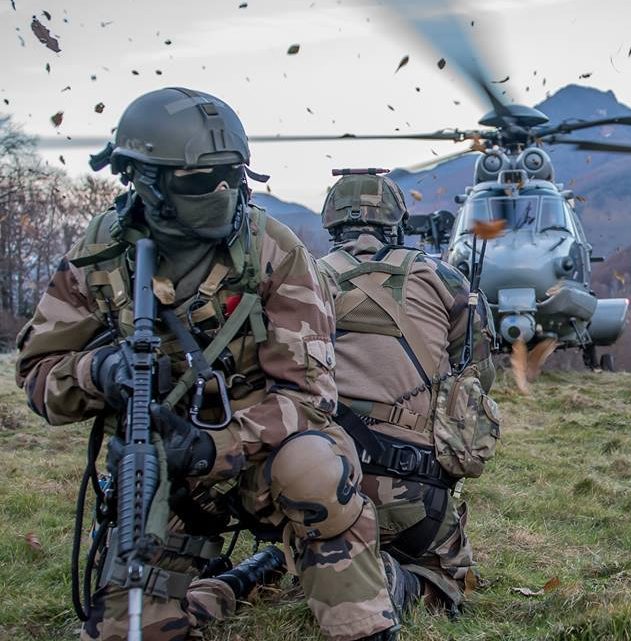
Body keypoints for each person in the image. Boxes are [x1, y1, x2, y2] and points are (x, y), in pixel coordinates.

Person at [16, 88, 400, 641]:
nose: (221, 192)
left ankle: (364, 617)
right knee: (127, 631)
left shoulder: (273, 250)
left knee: (315, 469)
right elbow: (37, 375)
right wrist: (98, 373)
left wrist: (213, 447)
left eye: (232, 176)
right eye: (200, 180)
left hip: (266, 458)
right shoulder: (101, 256)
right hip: (165, 473)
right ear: (144, 179)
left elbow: (310, 398)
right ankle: (235, 583)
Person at [316, 169, 499, 615]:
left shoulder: (303, 279)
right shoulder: (444, 278)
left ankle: (316, 566)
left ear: (331, 224)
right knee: (449, 583)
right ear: (397, 223)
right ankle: (397, 583)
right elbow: (477, 376)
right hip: (416, 494)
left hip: (321, 482)